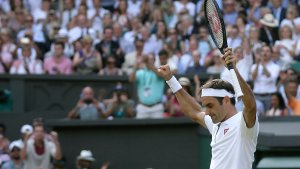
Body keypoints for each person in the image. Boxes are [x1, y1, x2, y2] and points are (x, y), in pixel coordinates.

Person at [157, 48, 258, 169]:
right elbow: (195, 111)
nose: (207, 112)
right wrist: (170, 79)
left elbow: (251, 105)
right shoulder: (215, 123)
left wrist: (234, 70)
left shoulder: (243, 123)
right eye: (205, 106)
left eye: (210, 105)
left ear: (226, 100)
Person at [129, 54, 165, 119]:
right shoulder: (140, 72)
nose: (148, 61)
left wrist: (151, 65)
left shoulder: (159, 71)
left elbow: (161, 75)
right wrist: (137, 64)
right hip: (142, 108)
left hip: (157, 108)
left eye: (151, 59)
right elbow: (131, 79)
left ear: (154, 60)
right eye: (147, 59)